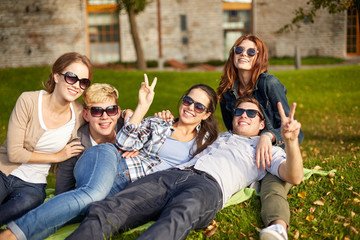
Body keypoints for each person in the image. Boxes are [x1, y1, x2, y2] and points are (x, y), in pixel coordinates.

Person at [0, 76, 219, 240]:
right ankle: (12, 234)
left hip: (133, 190)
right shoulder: (158, 123)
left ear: (207, 114)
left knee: (79, 212)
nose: (190, 107)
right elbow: (124, 143)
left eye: (199, 106)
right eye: (188, 100)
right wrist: (143, 106)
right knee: (91, 194)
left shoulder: (206, 143)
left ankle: (22, 232)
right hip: (111, 160)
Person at [64, 96, 303, 240]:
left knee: (177, 217)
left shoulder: (265, 148)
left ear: (262, 123)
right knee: (111, 208)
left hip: (209, 187)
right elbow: (178, 135)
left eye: (252, 113)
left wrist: (290, 141)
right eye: (240, 111)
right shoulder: (215, 136)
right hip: (171, 175)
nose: (244, 115)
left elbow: (294, 175)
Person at [217, 34, 304, 240]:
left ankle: (277, 229)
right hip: (246, 153)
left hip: (276, 153)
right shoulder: (228, 92)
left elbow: (295, 135)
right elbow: (234, 130)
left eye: (250, 51)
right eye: (239, 50)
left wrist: (269, 135)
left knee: (272, 190)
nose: (243, 54)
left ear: (259, 57)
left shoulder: (269, 84)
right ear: (233, 55)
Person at [0, 52, 92, 226]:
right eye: (72, 77)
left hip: (33, 186)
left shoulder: (79, 112)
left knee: (17, 209)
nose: (77, 86)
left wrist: (130, 113)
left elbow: (104, 115)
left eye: (83, 82)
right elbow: (14, 154)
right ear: (56, 76)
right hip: (3, 171)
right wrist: (57, 156)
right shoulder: (28, 100)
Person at [55, 83, 132, 195]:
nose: (105, 117)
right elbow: (62, 192)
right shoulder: (75, 147)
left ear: (118, 112)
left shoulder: (129, 130)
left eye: (111, 110)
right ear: (86, 115)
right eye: (96, 111)